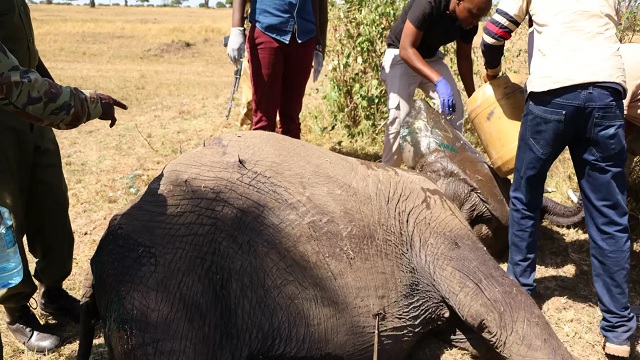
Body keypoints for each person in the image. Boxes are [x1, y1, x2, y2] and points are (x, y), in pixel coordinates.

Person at [481, 1, 637, 357]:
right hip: (606, 92)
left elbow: (492, 34)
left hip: (552, 94)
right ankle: (617, 331)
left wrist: (494, 72)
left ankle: (519, 294)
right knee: (608, 212)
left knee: (525, 194)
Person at [0, 0, 126, 353]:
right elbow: (12, 83)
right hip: (8, 116)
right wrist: (81, 103)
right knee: (5, 220)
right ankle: (16, 311)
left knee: (52, 206)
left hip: (32, 112)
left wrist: (51, 88)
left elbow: (25, 57)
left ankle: (52, 291)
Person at [380, 0, 492, 167]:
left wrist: (474, 99)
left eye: (480, 17)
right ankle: (388, 175)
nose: (475, 22)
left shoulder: (468, 22)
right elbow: (406, 48)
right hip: (401, 55)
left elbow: (463, 58)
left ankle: (446, 169)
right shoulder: (428, 3)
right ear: (459, 2)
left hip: (431, 58)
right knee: (400, 115)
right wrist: (438, 80)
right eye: (473, 14)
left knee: (454, 112)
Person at [226, 0, 328, 139]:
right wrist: (236, 28)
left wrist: (319, 43)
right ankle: (261, 160)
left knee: (291, 119)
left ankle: (289, 160)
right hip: (267, 30)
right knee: (264, 119)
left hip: (304, 36)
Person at [620, 43, 640, 173]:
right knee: (627, 148)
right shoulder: (627, 52)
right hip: (635, 117)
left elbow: (614, 119)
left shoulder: (622, 67)